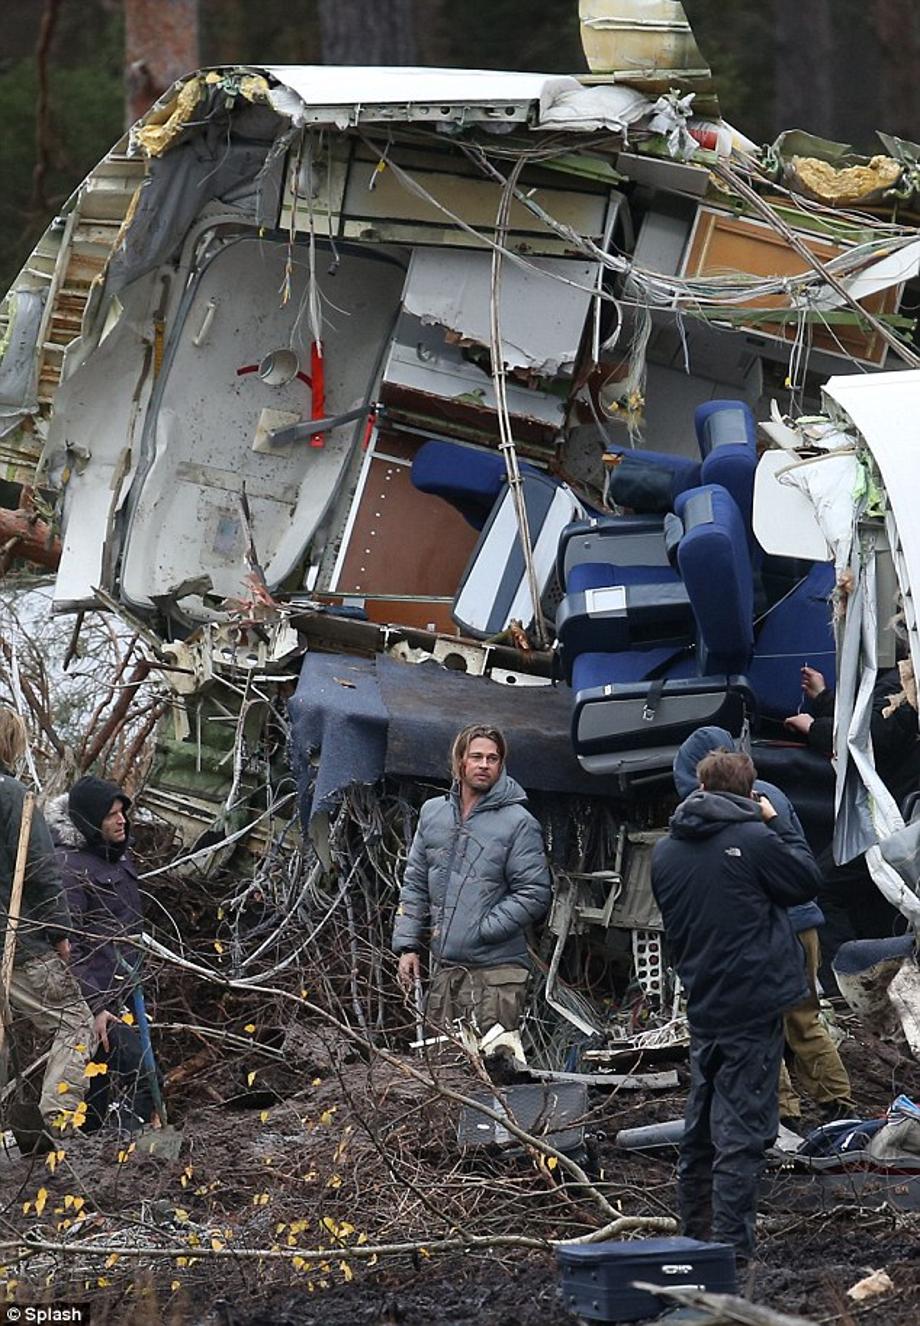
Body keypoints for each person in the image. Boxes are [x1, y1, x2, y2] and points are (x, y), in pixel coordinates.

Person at [652, 749, 822, 1259]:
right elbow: (806, 882)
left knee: (700, 1126)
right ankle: (731, 1252)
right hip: (754, 1002)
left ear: (700, 788)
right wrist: (778, 826)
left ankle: (694, 1238)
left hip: (705, 999)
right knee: (742, 1132)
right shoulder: (754, 838)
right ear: (751, 793)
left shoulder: (665, 851)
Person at [673, 728, 853, 1131]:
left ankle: (783, 1110)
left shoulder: (721, 813)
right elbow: (801, 862)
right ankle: (839, 1102)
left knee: (763, 1024)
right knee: (805, 1019)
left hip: (766, 933)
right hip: (804, 926)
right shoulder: (772, 795)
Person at [392, 724, 551, 1037]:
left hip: (497, 974)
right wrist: (408, 946)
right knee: (443, 1071)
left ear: (501, 766)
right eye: (476, 756)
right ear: (460, 762)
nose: (484, 765)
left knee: (491, 1074)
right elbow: (415, 885)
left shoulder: (518, 822)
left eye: (492, 759)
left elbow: (534, 892)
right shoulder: (433, 814)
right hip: (445, 971)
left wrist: (483, 929)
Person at [0, 707, 95, 1143]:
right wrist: (59, 932)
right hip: (16, 941)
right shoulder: (14, 797)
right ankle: (58, 1123)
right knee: (75, 1023)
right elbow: (41, 868)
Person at [784, 664, 912, 984]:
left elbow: (873, 735)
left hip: (894, 821)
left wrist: (815, 728)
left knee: (821, 887)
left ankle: (845, 990)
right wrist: (825, 698)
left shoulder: (910, 684)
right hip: (900, 818)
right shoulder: (903, 681)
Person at [47, 776, 157, 1132]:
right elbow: (69, 947)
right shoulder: (68, 867)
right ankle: (130, 1159)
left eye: (122, 812)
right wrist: (95, 1007)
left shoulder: (116, 856)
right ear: (90, 821)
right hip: (95, 999)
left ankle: (93, 1157)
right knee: (144, 1075)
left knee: (97, 1089)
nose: (121, 820)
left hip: (125, 989)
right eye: (111, 815)